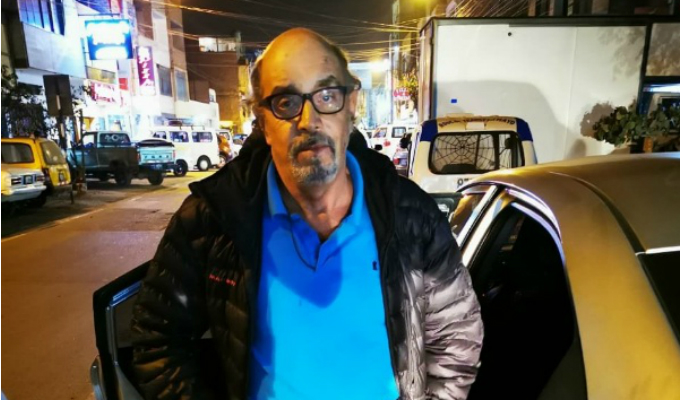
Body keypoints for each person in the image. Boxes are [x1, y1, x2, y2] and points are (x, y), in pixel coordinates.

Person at [131, 28, 483, 400]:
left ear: (351, 107)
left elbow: (456, 336)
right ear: (263, 122)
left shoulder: (410, 216)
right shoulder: (213, 219)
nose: (309, 120)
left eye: (327, 95)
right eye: (286, 102)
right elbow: (157, 341)